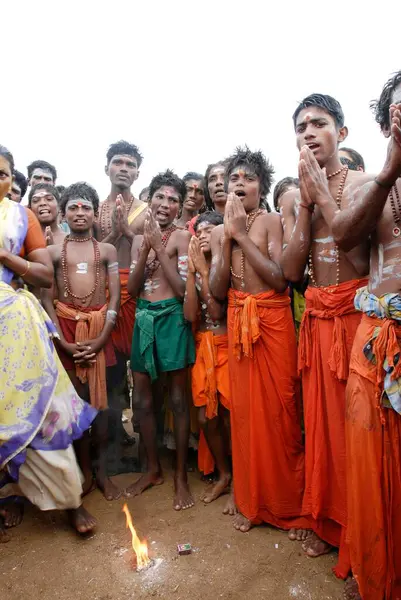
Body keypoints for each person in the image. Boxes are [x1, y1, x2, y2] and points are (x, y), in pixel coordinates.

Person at [280, 94, 373, 579]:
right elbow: (293, 272)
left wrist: (325, 197)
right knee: (321, 428)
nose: (309, 132)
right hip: (316, 322)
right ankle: (327, 519)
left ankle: (362, 524)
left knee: (358, 431)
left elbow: (364, 265)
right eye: (301, 126)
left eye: (319, 123)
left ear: (343, 132)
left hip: (357, 321)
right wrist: (304, 206)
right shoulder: (295, 197)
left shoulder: (365, 185)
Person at [209, 147, 308, 537]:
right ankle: (252, 501)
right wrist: (227, 238)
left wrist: (240, 236)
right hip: (237, 324)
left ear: (261, 186)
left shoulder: (270, 221)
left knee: (283, 411)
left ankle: (291, 506)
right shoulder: (218, 232)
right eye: (234, 178)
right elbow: (217, 291)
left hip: (272, 322)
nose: (239, 183)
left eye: (248, 178)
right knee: (247, 415)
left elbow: (279, 278)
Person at [0, 145, 97, 541]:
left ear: (10, 178)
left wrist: (4, 257)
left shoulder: (21, 217)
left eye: (1, 173)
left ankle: (71, 499)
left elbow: (43, 275)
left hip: (14, 331)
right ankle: (8, 498)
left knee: (41, 413)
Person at [330, 71, 401, 600]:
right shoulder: (367, 184)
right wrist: (390, 171)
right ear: (383, 125)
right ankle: (379, 574)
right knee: (376, 470)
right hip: (378, 340)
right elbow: (346, 237)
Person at [41, 182, 121, 501]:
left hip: (101, 330)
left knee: (102, 407)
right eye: (73, 207)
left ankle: (102, 472)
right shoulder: (51, 252)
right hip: (67, 331)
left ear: (94, 213)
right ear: (64, 213)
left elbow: (114, 297)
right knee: (77, 408)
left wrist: (102, 337)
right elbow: (47, 299)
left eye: (86, 207)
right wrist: (62, 342)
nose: (79, 212)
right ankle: (85, 471)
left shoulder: (108, 251)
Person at [125, 169, 195, 511]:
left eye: (173, 200)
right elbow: (132, 288)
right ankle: (153, 469)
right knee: (142, 401)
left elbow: (183, 291)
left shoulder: (183, 238)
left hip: (173, 319)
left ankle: (180, 476)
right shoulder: (138, 240)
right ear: (149, 200)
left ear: (180, 208)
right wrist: (145, 248)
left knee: (179, 400)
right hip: (144, 317)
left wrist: (159, 247)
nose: (165, 204)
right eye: (160, 197)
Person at [184, 211, 232, 506]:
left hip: (226, 345)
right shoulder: (195, 266)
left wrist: (203, 270)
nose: (203, 234)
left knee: (229, 417)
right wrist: (191, 273)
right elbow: (191, 315)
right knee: (204, 416)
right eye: (198, 230)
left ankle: (240, 480)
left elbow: (216, 313)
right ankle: (224, 475)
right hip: (203, 346)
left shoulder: (225, 267)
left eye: (210, 230)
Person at [97, 140, 146, 359]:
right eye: (118, 162)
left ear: (137, 174)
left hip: (138, 293)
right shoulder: (94, 210)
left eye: (130, 164)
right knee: (111, 370)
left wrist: (127, 231)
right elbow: (88, 254)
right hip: (102, 293)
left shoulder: (147, 211)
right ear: (106, 168)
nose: (124, 168)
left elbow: (153, 252)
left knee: (140, 366)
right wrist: (114, 234)